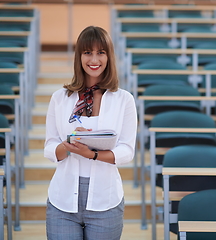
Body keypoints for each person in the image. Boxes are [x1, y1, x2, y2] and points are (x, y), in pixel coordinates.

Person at [44, 26, 137, 240]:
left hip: (106, 200)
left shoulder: (124, 99)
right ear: (79, 56)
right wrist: (68, 145)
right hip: (63, 200)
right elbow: (50, 147)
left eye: (100, 52)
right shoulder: (60, 98)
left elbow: (126, 150)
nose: (94, 59)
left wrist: (91, 154)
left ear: (109, 56)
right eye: (87, 52)